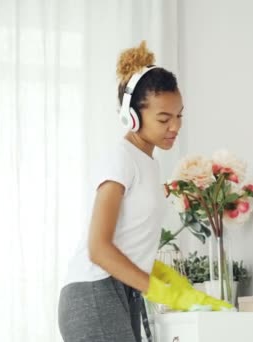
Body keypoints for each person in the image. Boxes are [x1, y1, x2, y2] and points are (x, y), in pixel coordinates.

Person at [58, 41, 233, 342]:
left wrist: (172, 282)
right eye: (164, 119)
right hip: (94, 290)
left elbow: (130, 242)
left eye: (179, 116)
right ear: (133, 117)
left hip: (119, 290)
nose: (175, 126)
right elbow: (98, 248)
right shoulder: (122, 157)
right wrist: (159, 289)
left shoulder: (148, 164)